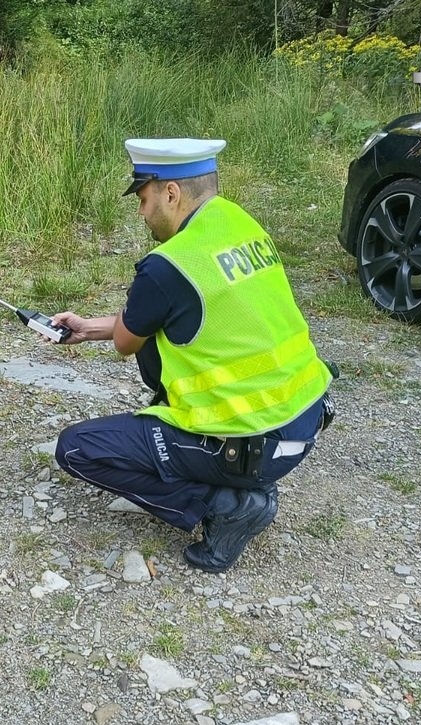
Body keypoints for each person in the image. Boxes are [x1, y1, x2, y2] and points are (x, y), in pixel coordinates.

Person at [51, 138, 335, 573]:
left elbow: (128, 342)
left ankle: (226, 505)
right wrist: (87, 328)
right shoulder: (239, 224)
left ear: (171, 193)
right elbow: (172, 313)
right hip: (303, 419)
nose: (141, 212)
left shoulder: (168, 264)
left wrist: (125, 307)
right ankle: (235, 484)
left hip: (249, 446)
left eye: (143, 199)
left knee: (77, 449)